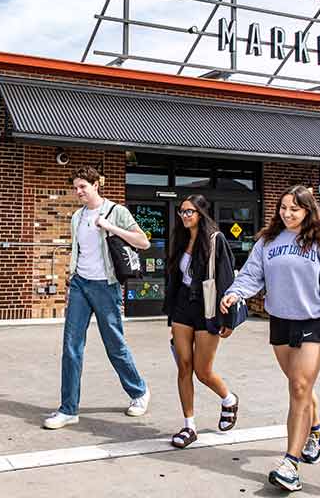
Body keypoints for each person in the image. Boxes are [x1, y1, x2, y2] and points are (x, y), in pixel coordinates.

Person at [220, 185, 320, 493]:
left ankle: (289, 464)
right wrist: (234, 293)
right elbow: (251, 274)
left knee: (298, 387)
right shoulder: (268, 241)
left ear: (308, 211)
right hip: (281, 323)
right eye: (283, 208)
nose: (287, 213)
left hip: (315, 323)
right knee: (302, 386)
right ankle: (314, 433)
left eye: (294, 209)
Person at [43, 166, 152, 429]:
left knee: (114, 344)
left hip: (106, 286)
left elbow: (143, 242)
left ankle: (139, 392)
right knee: (71, 348)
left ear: (96, 185)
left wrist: (109, 227)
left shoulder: (116, 211)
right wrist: (71, 280)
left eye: (83, 186)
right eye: (76, 187)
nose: (78, 191)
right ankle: (68, 409)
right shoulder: (77, 217)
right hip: (80, 285)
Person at [162, 194, 240, 448]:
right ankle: (189, 426)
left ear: (201, 214)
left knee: (202, 371)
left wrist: (227, 318)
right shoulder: (181, 239)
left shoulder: (216, 240)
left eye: (189, 212)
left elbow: (227, 279)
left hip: (207, 308)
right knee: (184, 367)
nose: (184, 216)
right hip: (183, 306)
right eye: (182, 212)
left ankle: (228, 399)